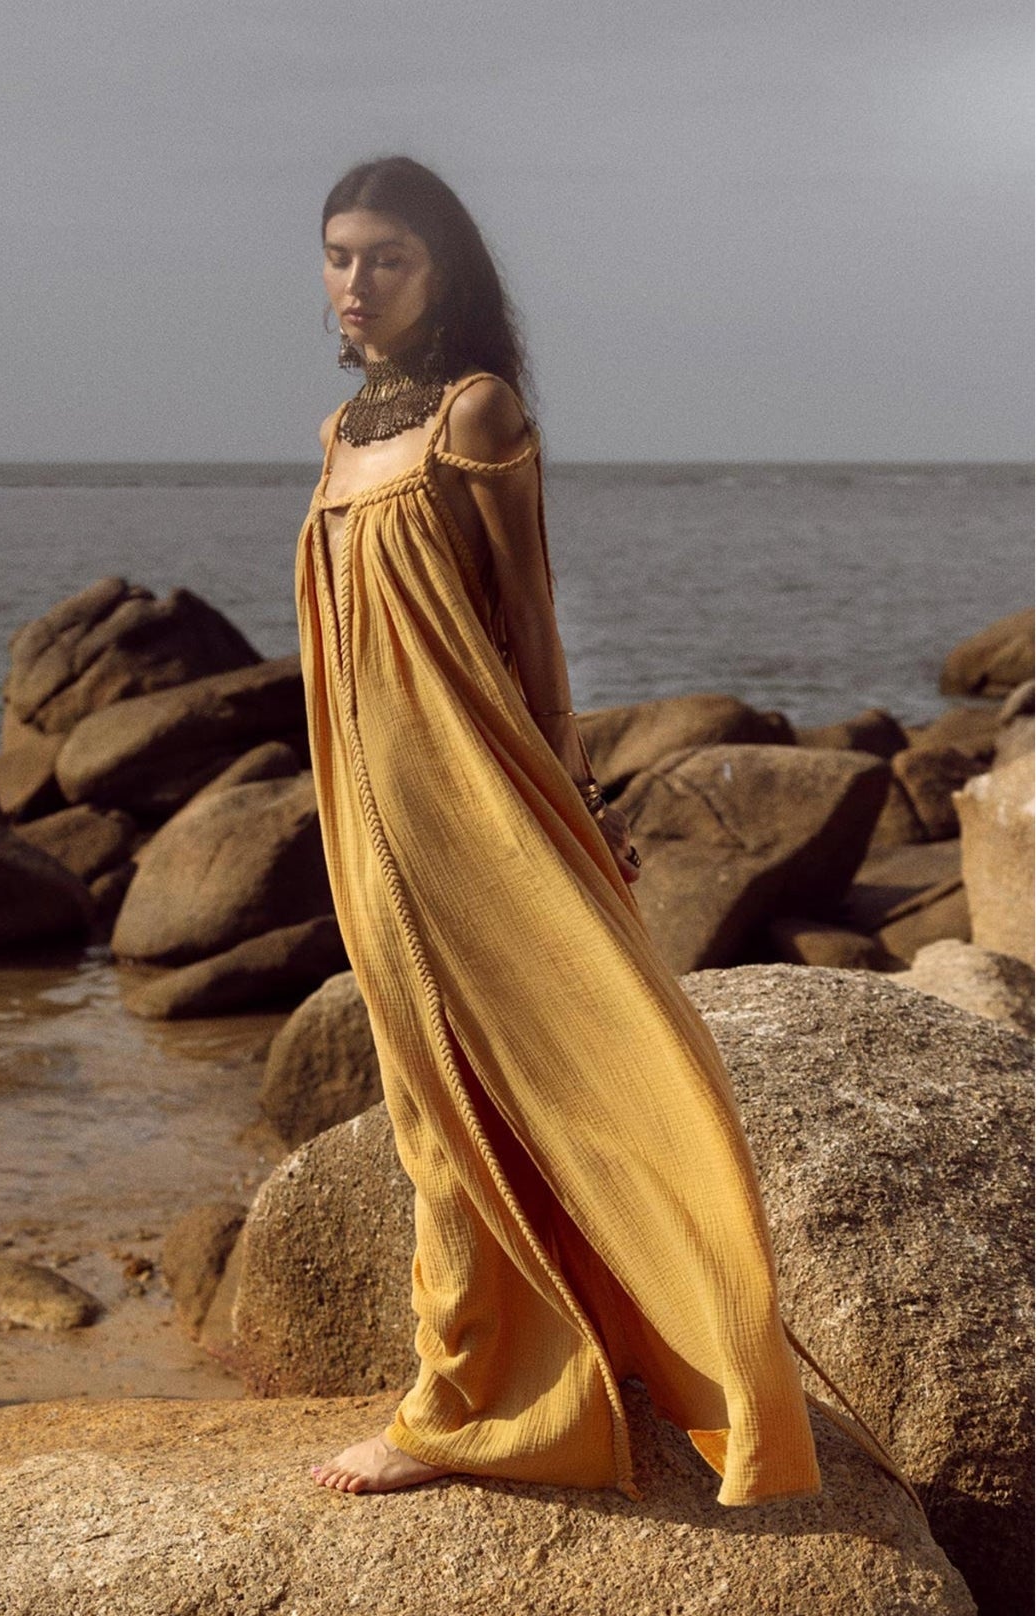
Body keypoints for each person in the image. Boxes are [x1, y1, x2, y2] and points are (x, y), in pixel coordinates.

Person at [295, 155, 925, 1517]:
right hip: (370, 807)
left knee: (570, 1069)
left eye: (383, 257)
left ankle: (467, 1401)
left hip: (475, 804)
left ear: (441, 271)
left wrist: (572, 801)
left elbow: (526, 622)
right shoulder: (345, 432)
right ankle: (543, 1366)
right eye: (338, 256)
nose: (353, 283)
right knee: (427, 1098)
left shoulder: (476, 411)